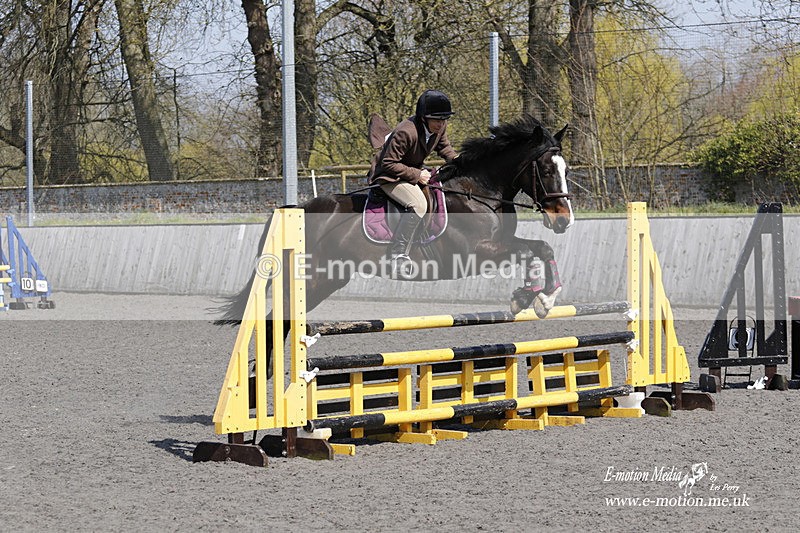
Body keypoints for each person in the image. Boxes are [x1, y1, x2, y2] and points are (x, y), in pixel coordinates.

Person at [367, 90, 458, 274]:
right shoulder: (406, 132)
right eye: (437, 120)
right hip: (388, 175)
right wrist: (417, 175)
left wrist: (461, 162)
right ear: (424, 118)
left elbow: (445, 148)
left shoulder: (440, 127)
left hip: (407, 171)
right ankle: (398, 253)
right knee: (418, 204)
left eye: (444, 119)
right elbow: (389, 164)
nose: (441, 124)